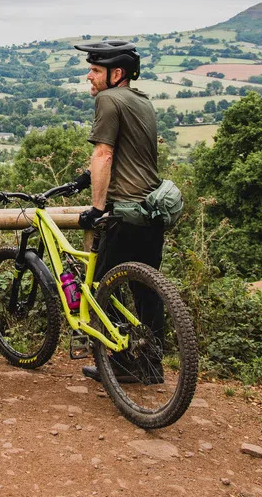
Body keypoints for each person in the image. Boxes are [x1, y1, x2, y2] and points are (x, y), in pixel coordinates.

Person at [71, 40, 166, 384]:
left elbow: (105, 154)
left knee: (99, 289)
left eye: (95, 70)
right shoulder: (142, 101)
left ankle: (124, 361)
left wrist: (97, 209)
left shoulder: (107, 100)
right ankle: (151, 364)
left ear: (117, 74)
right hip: (150, 212)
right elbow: (134, 153)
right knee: (146, 291)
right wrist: (86, 179)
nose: (89, 76)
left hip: (123, 212)